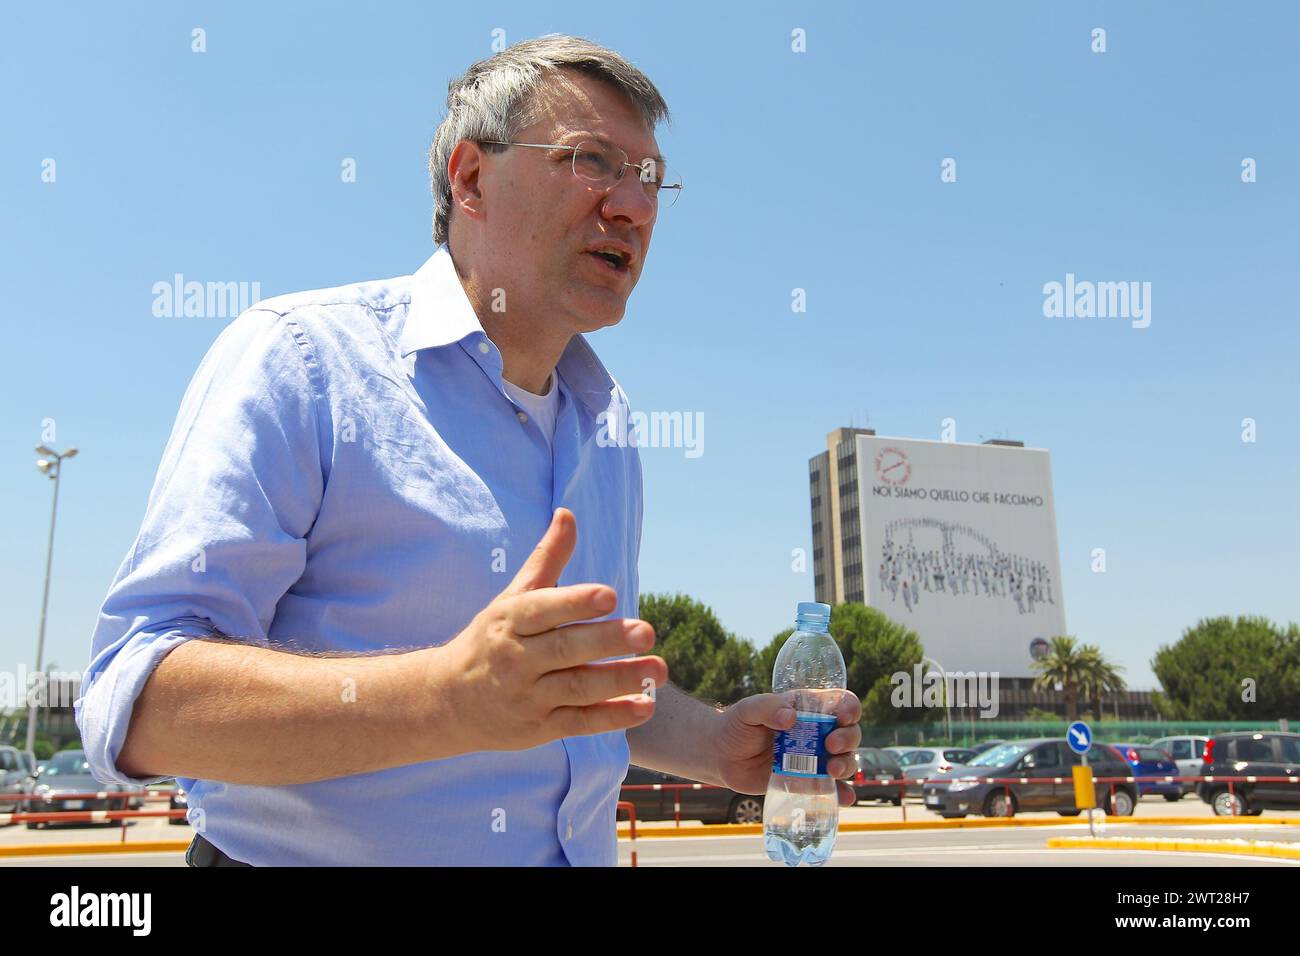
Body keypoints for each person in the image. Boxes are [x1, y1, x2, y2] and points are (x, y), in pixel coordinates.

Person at [74, 35, 861, 866]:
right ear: (472, 178)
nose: (633, 206)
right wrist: (444, 699)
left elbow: (566, 687)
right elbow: (136, 700)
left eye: (650, 178)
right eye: (591, 160)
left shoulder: (608, 421)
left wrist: (713, 742)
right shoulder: (303, 361)